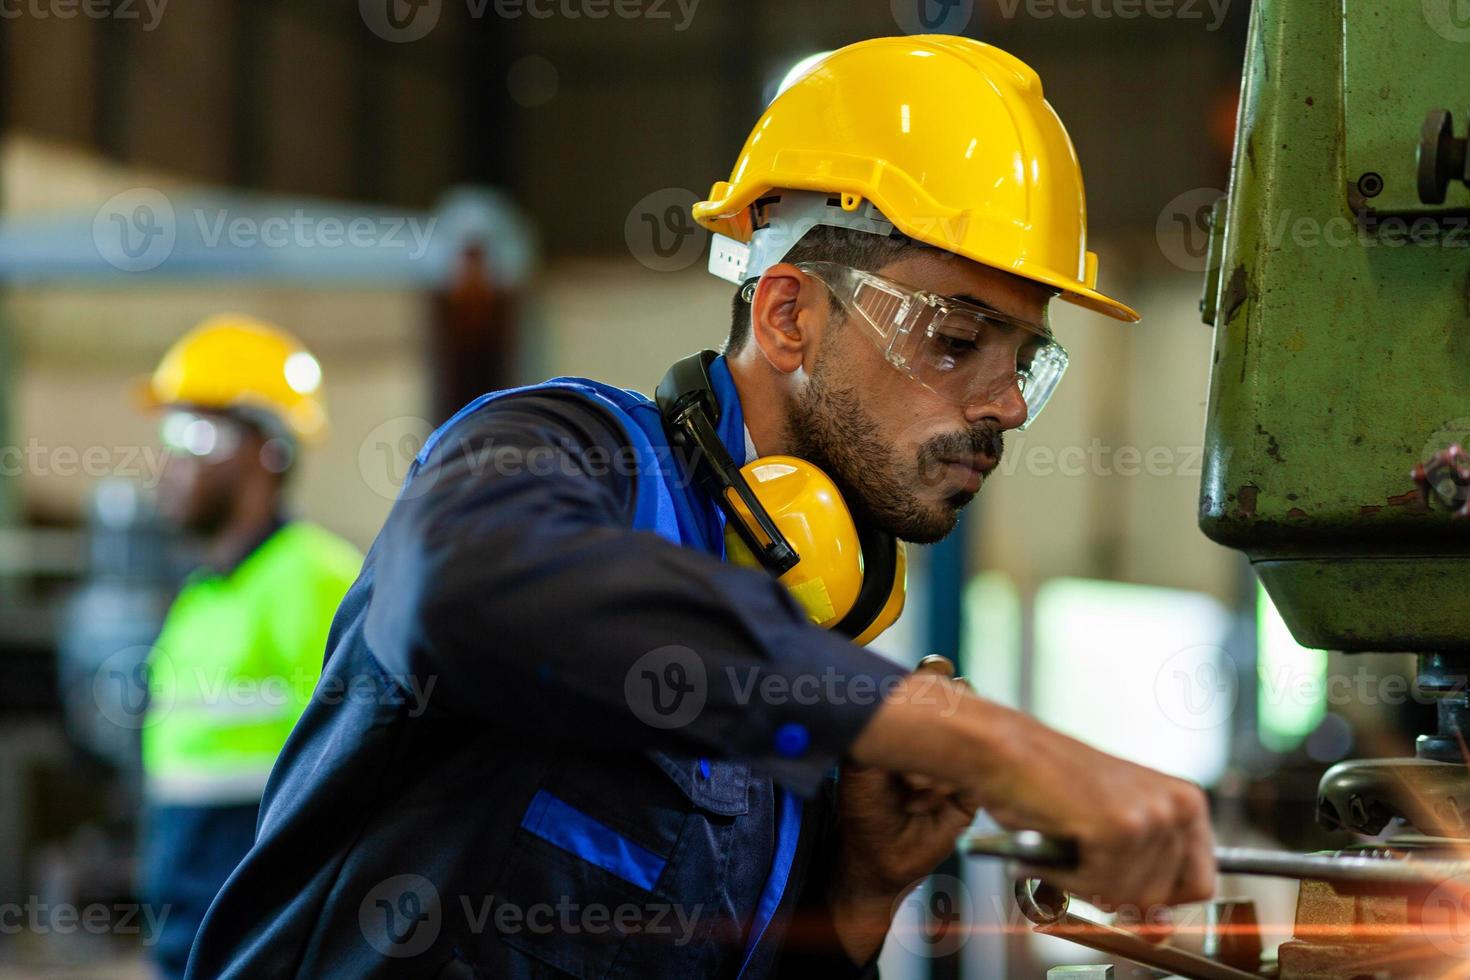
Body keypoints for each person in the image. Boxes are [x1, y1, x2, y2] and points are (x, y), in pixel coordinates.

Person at [186, 37, 1215, 978]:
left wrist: (854, 897)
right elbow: (458, 589)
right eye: (954, 338)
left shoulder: (805, 652)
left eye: (1026, 363)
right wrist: (985, 743)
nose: (1002, 405)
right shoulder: (562, 452)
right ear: (789, 315)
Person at [136, 315, 363, 978]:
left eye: (194, 433)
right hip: (188, 920)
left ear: (269, 448)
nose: (168, 460)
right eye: (168, 432)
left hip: (264, 938)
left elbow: (350, 767)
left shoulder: (314, 576)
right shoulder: (202, 595)